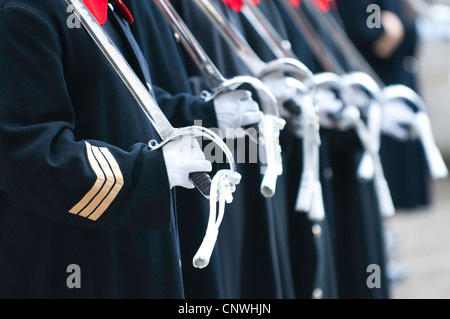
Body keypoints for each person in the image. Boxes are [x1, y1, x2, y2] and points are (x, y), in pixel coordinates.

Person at [0, 0, 261, 298]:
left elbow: (130, 109)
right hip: (80, 269)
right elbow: (30, 155)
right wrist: (146, 171)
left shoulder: (103, 10)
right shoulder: (25, 12)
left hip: (132, 258)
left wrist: (206, 114)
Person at [336, 0, 430, 210]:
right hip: (380, 78)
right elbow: (374, 34)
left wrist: (397, 27)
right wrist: (388, 29)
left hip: (399, 73)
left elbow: (406, 28)